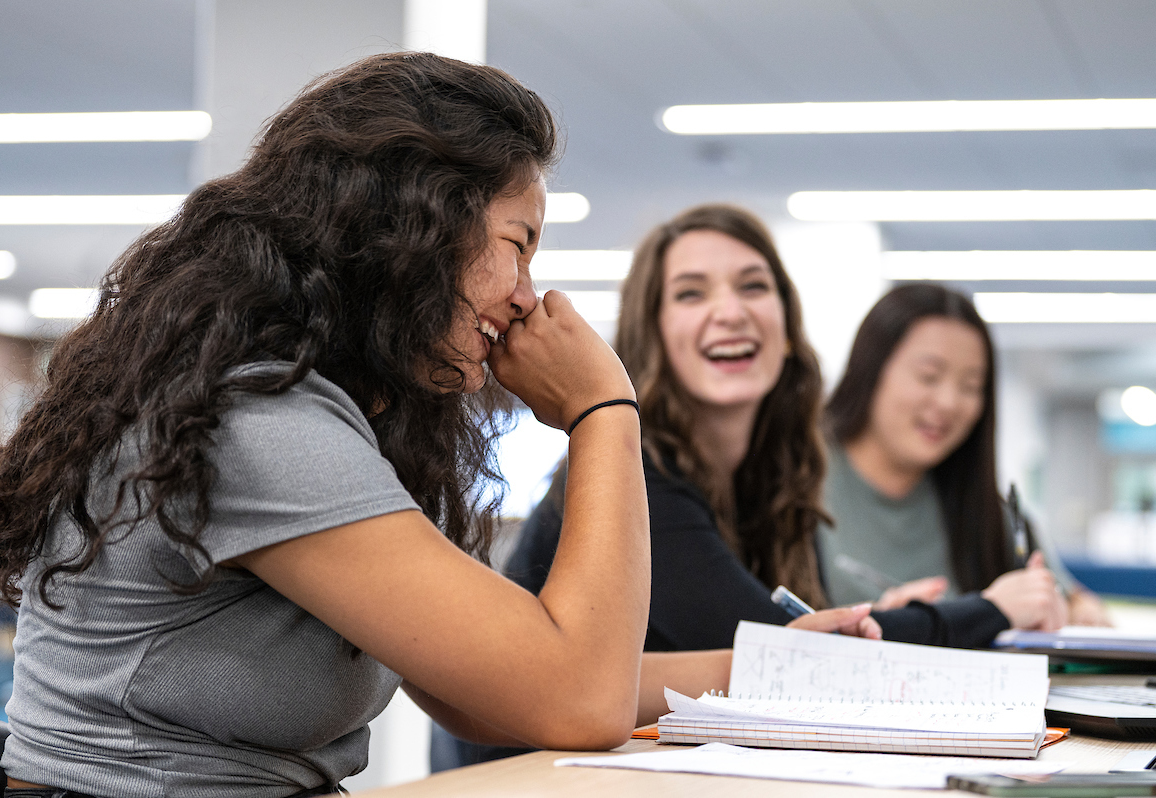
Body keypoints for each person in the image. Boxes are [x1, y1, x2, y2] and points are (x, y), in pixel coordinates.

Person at [0, 53, 654, 798]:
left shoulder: (319, 407)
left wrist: (759, 668)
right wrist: (604, 411)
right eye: (518, 245)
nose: (526, 296)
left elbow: (485, 680)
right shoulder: (252, 417)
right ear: (417, 224)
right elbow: (579, 698)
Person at [433, 203, 1065, 769]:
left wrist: (866, 624)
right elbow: (786, 660)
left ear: (787, 329)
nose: (730, 311)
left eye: (753, 287)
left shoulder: (779, 484)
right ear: (652, 334)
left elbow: (796, 641)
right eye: (690, 294)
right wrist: (998, 608)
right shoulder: (641, 469)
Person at [818, 283, 1108, 626]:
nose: (949, 403)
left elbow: (1079, 605)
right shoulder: (797, 483)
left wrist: (1070, 613)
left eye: (971, 386)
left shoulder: (986, 511)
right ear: (871, 370)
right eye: (929, 376)